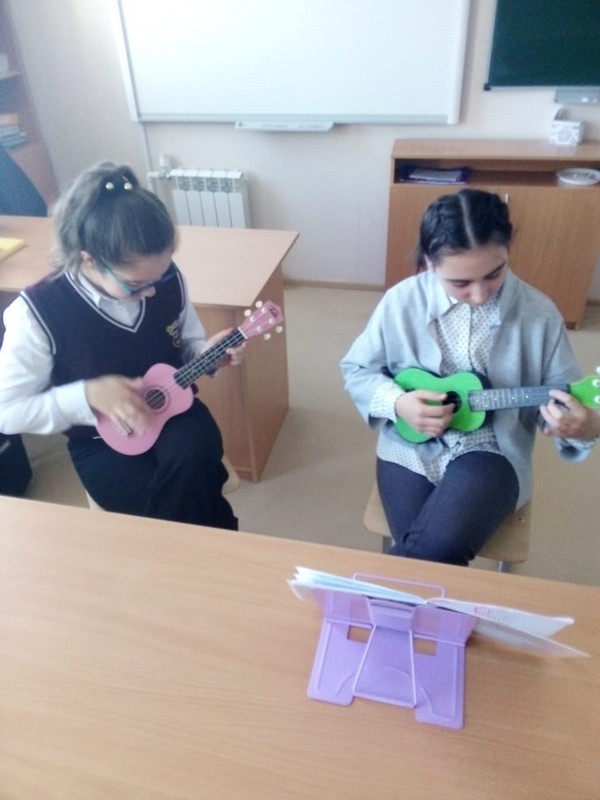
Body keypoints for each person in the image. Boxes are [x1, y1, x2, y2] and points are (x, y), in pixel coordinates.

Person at [341, 189, 600, 566]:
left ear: (508, 251)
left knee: (430, 555)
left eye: (494, 274)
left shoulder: (539, 313)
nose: (479, 295)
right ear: (429, 263)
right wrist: (398, 403)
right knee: (427, 555)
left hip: (492, 446)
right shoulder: (401, 301)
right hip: (409, 445)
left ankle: (371, 596)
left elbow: (569, 402)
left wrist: (583, 425)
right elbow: (357, 368)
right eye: (460, 283)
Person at [0, 161, 243, 529]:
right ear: (89, 259)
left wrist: (205, 355)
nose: (152, 291)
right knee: (174, 503)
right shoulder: (36, 312)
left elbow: (187, 344)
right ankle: (215, 542)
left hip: (176, 415)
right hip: (99, 438)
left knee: (193, 462)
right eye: (136, 284)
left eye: (160, 276)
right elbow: (8, 412)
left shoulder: (163, 278)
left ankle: (189, 548)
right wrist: (88, 395)